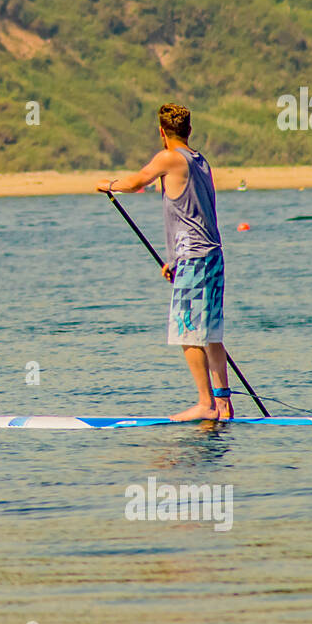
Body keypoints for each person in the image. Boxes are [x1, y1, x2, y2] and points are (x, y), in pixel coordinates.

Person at [98, 103, 230, 421]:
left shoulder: (168, 157)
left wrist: (109, 185)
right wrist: (173, 260)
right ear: (189, 130)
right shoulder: (201, 161)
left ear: (162, 132)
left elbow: (136, 182)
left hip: (194, 258)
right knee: (210, 332)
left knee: (188, 331)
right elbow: (194, 211)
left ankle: (205, 404)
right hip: (211, 255)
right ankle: (223, 403)